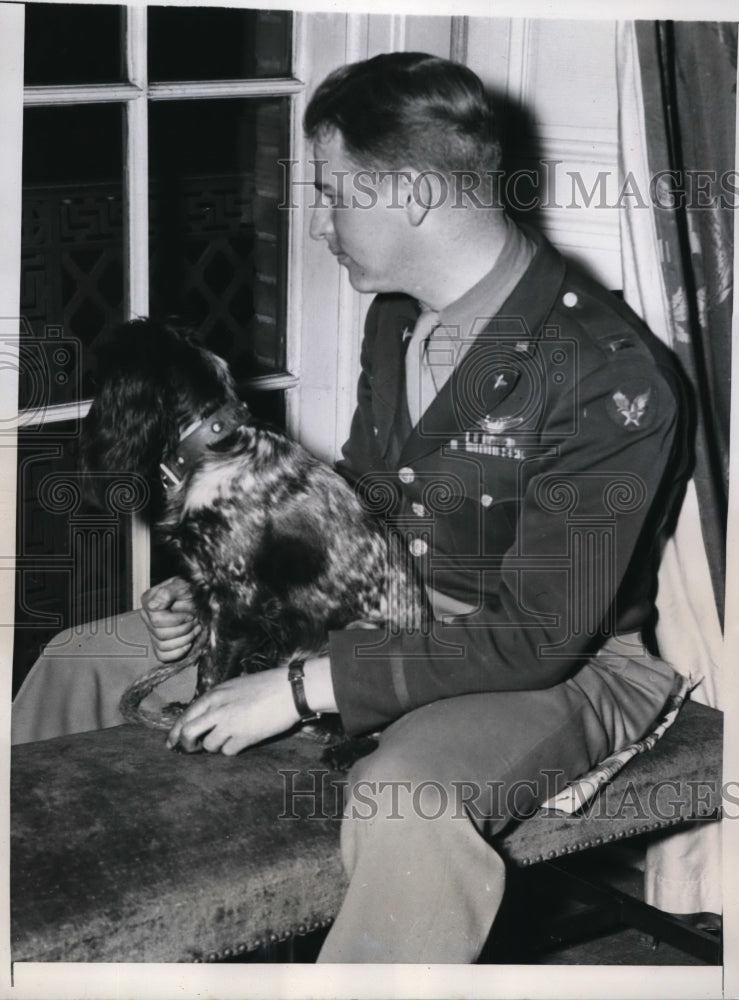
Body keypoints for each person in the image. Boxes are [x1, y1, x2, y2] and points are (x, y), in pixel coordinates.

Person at [13, 53, 689, 963]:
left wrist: (300, 686)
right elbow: (362, 512)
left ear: (410, 192)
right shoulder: (397, 318)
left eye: (333, 192)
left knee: (404, 796)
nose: (319, 221)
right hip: (376, 617)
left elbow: (534, 638)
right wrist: (226, 586)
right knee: (81, 659)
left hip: (556, 664)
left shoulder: (607, 374)